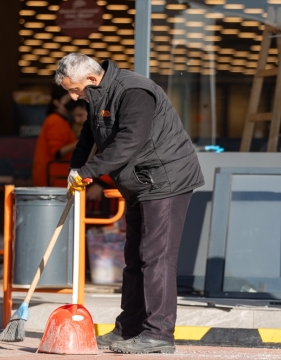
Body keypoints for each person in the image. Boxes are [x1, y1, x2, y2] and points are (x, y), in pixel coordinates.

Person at [56, 53, 205, 354]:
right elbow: (89, 134)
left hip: (166, 178)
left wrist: (89, 172)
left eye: (74, 90)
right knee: (135, 257)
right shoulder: (98, 95)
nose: (73, 97)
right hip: (139, 181)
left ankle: (159, 334)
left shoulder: (134, 91)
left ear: (91, 79)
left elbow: (130, 140)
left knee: (156, 257)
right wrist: (74, 170)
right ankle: (130, 328)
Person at [31, 85, 78, 187]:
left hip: (56, 177)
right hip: (52, 178)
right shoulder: (55, 121)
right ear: (56, 103)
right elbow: (57, 153)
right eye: (68, 99)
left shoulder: (61, 120)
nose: (72, 102)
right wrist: (79, 142)